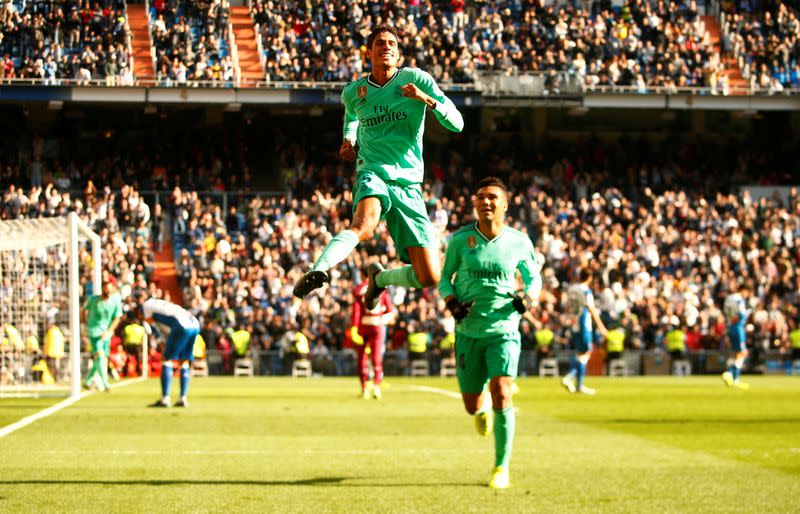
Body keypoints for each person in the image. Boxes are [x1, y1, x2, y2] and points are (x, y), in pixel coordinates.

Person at [293, 23, 464, 310]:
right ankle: (318, 268)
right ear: (369, 53)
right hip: (372, 171)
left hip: (409, 183)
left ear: (398, 54)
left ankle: (380, 280)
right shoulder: (354, 91)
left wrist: (426, 100)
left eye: (392, 44)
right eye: (380, 43)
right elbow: (351, 117)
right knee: (364, 225)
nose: (387, 47)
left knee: (430, 276)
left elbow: (457, 124)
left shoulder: (417, 80)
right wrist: (348, 140)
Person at [438, 177, 541, 490]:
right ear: (474, 203)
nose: (486, 202)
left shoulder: (520, 241)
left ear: (505, 205)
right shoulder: (460, 240)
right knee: (471, 403)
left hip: (504, 329)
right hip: (468, 332)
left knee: (503, 390)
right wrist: (452, 302)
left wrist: (527, 297)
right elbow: (444, 279)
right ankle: (479, 408)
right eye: (480, 197)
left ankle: (501, 467)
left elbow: (533, 278)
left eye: (493, 197)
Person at [137, 297, 201, 407]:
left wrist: (160, 341)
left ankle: (165, 398)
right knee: (183, 361)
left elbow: (152, 325)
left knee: (166, 359)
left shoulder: (146, 306)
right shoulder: (163, 304)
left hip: (182, 326)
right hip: (195, 325)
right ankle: (183, 398)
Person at [351, 268, 396, 399]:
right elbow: (390, 311)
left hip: (363, 326)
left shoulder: (359, 289)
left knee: (362, 357)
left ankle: (364, 387)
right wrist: (382, 320)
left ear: (362, 274)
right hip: (377, 325)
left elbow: (357, 310)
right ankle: (376, 387)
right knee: (376, 357)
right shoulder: (382, 289)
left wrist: (354, 327)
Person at [562, 268, 607, 395]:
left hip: (574, 322)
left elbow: (568, 306)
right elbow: (591, 309)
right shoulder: (586, 290)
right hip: (583, 323)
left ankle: (578, 384)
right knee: (586, 352)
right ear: (589, 278)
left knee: (582, 353)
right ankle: (570, 378)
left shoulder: (571, 289)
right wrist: (601, 327)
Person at [82, 277, 123, 392]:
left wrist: (109, 331)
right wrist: (84, 325)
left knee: (101, 358)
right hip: (94, 331)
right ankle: (106, 384)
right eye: (106, 290)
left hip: (106, 333)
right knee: (100, 356)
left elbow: (117, 318)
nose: (108, 292)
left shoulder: (115, 302)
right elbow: (83, 310)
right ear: (102, 290)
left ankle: (88, 381)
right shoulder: (93, 300)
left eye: (110, 290)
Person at [723, 284, 750, 389]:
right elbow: (741, 315)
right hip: (738, 328)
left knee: (736, 354)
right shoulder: (740, 300)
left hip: (731, 328)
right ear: (743, 290)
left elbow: (726, 313)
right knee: (743, 353)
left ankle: (735, 380)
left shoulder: (729, 298)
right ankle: (729, 373)